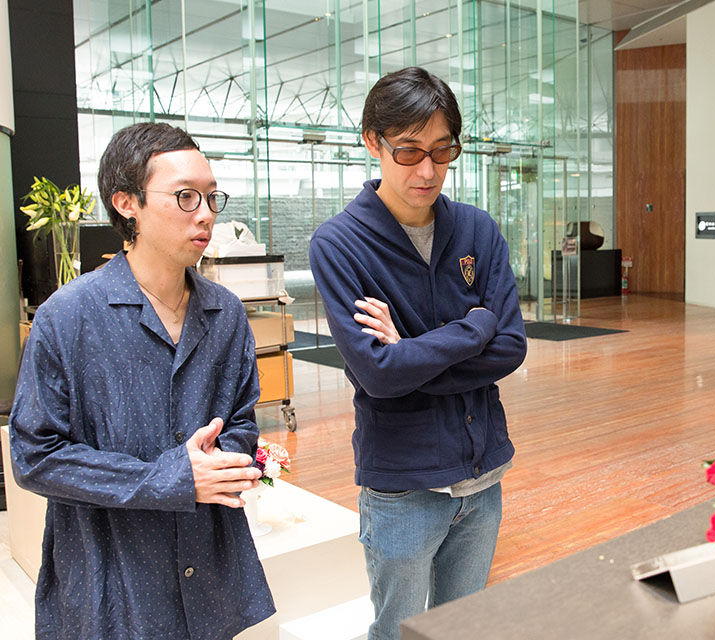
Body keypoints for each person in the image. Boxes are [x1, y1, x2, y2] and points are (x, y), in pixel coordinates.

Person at [9, 122, 276, 639]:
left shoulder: (225, 313)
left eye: (211, 197)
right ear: (127, 203)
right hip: (114, 580)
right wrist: (172, 477)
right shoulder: (68, 317)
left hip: (208, 573)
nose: (206, 213)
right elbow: (35, 456)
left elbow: (242, 421)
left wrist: (222, 460)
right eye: (185, 196)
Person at [308, 67, 527, 640]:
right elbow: (378, 376)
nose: (428, 171)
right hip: (403, 484)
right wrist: (474, 327)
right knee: (398, 631)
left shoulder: (477, 230)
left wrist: (410, 352)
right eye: (408, 151)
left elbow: (510, 347)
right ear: (372, 142)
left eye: (442, 150)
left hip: (483, 471)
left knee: (461, 627)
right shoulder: (339, 244)